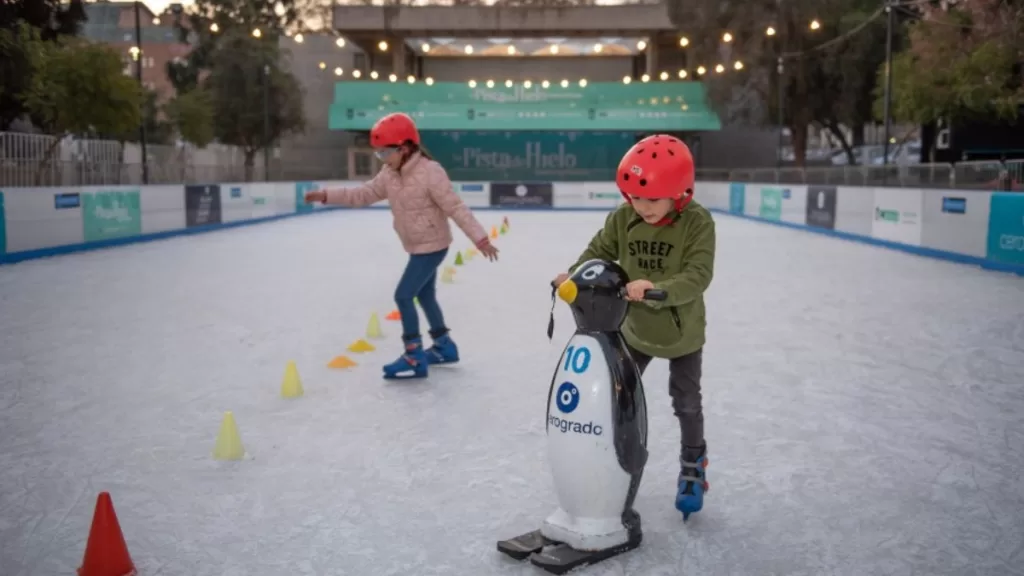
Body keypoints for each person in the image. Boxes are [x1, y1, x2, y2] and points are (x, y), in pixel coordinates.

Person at [552, 134, 715, 519]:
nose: (641, 208)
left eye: (651, 199)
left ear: (680, 192)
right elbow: (598, 251)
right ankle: (610, 459)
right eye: (634, 198)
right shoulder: (624, 218)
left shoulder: (697, 223)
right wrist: (573, 275)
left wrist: (657, 288)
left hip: (681, 333)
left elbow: (698, 274)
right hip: (633, 330)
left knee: (686, 402)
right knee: (616, 398)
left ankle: (693, 466)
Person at [304, 112, 499, 380]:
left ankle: (413, 355)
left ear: (404, 148)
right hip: (417, 245)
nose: (383, 159)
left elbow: (455, 207)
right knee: (425, 294)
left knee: (404, 295)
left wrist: (480, 238)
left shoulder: (431, 172)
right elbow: (362, 194)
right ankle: (444, 346)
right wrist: (327, 195)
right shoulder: (390, 174)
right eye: (379, 155)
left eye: (386, 153)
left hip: (433, 244)